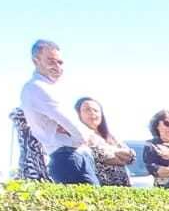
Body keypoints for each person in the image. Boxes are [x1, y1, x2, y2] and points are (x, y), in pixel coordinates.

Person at [19, 40, 102, 185]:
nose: (57, 66)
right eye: (50, 61)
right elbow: (74, 126)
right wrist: (82, 138)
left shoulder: (52, 88)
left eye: (60, 62)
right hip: (68, 157)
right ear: (35, 61)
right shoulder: (37, 88)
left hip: (75, 156)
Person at [74, 98, 135, 188]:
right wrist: (117, 154)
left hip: (124, 187)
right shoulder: (79, 136)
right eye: (87, 110)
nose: (92, 113)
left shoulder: (112, 137)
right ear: (79, 114)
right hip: (100, 188)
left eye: (96, 110)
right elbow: (103, 155)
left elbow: (131, 156)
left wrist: (112, 152)